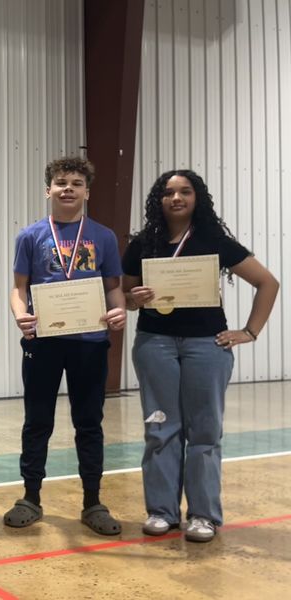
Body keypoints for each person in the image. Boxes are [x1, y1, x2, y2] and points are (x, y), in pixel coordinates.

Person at [122, 169, 278, 542]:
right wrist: (134, 299)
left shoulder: (214, 240)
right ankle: (161, 512)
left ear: (197, 197)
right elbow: (125, 298)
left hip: (206, 345)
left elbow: (267, 282)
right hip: (155, 343)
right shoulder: (143, 243)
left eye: (185, 191)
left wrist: (249, 332)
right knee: (160, 428)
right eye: (168, 192)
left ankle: (203, 515)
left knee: (205, 431)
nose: (176, 198)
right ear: (157, 199)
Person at [5, 156, 126, 536]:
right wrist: (20, 315)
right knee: (37, 421)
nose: (68, 189)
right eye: (61, 182)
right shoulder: (30, 235)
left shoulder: (103, 236)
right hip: (44, 341)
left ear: (87, 191)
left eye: (76, 183)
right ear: (48, 190)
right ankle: (30, 497)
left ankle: (93, 501)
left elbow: (113, 288)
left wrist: (120, 310)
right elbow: (19, 288)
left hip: (90, 342)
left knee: (89, 423)